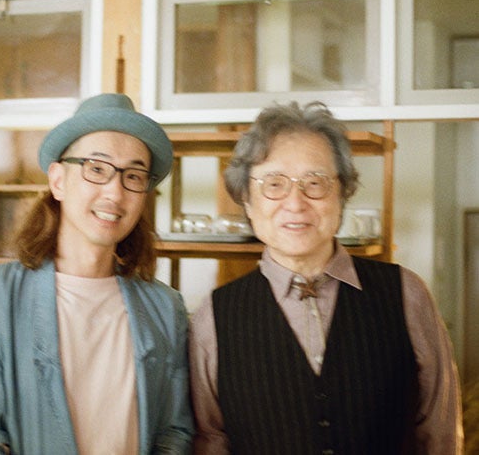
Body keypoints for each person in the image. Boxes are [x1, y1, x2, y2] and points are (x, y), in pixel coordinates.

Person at [189, 101, 463, 454]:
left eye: (315, 182)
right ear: (247, 200)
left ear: (342, 193)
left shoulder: (406, 294)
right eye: (274, 183)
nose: (295, 203)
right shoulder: (213, 317)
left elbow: (439, 433)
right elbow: (210, 441)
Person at [0, 93, 194, 454]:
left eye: (134, 175)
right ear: (58, 180)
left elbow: (174, 432)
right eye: (97, 168)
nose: (115, 192)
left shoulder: (165, 307)